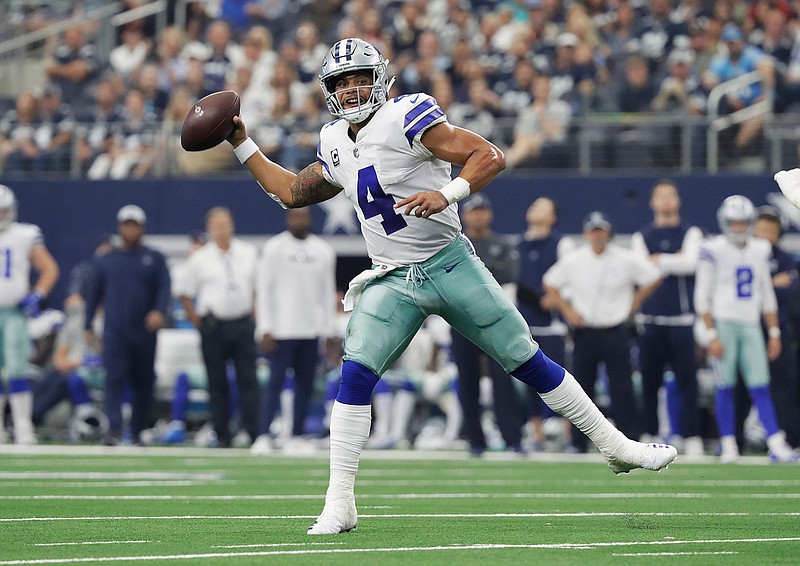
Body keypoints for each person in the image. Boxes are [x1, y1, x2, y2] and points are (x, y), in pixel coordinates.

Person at [224, 37, 677, 535]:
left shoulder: (407, 115)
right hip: (391, 276)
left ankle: (616, 447)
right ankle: (339, 502)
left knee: (524, 358)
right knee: (355, 374)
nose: (352, 90)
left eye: (360, 78)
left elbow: (489, 155)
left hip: (448, 261)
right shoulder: (333, 139)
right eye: (342, 82)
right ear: (329, 90)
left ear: (380, 79)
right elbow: (290, 192)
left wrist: (448, 193)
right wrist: (240, 141)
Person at [543, 211, 662, 453]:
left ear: (609, 232)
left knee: (622, 388)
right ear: (586, 233)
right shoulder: (575, 259)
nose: (598, 235)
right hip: (584, 332)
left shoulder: (624, 258)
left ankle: (629, 440)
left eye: (602, 230)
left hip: (615, 330)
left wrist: (635, 301)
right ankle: (578, 442)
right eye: (594, 230)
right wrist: (567, 310)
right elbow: (550, 282)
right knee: (580, 390)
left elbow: (654, 276)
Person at [694, 195, 796, 463]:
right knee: (725, 386)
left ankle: (776, 442)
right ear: (724, 222)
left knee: (761, 386)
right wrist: (711, 333)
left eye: (742, 222)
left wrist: (773, 332)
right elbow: (701, 296)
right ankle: (727, 443)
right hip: (724, 323)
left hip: (751, 323)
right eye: (733, 222)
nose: (738, 227)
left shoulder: (760, 248)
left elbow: (766, 293)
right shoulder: (712, 248)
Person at [251, 207, 337, 454]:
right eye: (295, 216)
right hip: (280, 330)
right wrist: (265, 328)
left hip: (310, 330)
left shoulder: (323, 251)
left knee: (305, 385)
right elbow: (264, 290)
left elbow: (326, 292)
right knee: (274, 384)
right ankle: (264, 434)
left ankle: (297, 435)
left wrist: (328, 329)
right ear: (288, 219)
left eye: (304, 216)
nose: (300, 220)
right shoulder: (274, 248)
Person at [84, 205, 171, 445]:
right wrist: (88, 325)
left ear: (142, 228)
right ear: (120, 227)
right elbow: (94, 294)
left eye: (135, 225)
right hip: (115, 331)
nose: (131, 230)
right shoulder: (107, 259)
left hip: (144, 331)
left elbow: (164, 288)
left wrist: (158, 311)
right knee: (114, 380)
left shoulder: (154, 258)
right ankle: (113, 430)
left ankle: (137, 430)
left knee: (143, 382)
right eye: (127, 225)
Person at [630, 180, 705, 455]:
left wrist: (658, 259)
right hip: (650, 320)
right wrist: (674, 260)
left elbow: (691, 263)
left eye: (670, 195)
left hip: (683, 321)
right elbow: (640, 271)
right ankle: (649, 432)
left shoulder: (691, 232)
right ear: (652, 202)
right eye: (660, 196)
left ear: (678, 201)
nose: (665, 201)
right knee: (650, 382)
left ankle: (691, 436)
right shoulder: (642, 235)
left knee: (688, 382)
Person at [176, 206, 260, 448]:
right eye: (217, 225)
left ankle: (253, 431)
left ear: (232, 225)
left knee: (248, 380)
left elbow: (258, 287)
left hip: (242, 323)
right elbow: (184, 293)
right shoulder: (199, 258)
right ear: (210, 229)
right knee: (217, 382)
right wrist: (199, 322)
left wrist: (255, 313)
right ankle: (222, 434)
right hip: (213, 326)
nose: (222, 229)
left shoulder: (248, 253)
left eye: (226, 224)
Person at [452, 193, 525, 456]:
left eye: (483, 211)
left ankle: (513, 438)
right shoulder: (454, 244)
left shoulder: (501, 244)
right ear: (464, 215)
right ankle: (474, 440)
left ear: (489, 214)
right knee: (467, 381)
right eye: (474, 211)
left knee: (503, 381)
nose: (479, 216)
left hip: (494, 321)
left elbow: (508, 280)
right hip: (461, 319)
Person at [0, 185, 60, 444]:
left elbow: (49, 268)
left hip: (14, 311)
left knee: (17, 368)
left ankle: (23, 426)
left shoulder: (24, 234)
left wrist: (38, 294)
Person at [516, 196, 575, 451]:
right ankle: (536, 434)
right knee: (530, 382)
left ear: (552, 217)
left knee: (561, 379)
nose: (534, 208)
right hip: (526, 324)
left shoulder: (563, 243)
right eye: (533, 204)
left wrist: (557, 299)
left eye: (542, 206)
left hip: (554, 326)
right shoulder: (519, 244)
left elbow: (573, 277)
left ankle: (569, 434)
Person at [753, 205, 799, 448]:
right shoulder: (744, 255)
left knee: (784, 386)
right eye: (761, 229)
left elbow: (788, 292)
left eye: (771, 229)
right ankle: (733, 440)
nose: (766, 234)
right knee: (739, 387)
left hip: (777, 331)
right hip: (747, 330)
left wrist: (760, 288)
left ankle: (789, 439)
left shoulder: (785, 258)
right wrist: (771, 283)